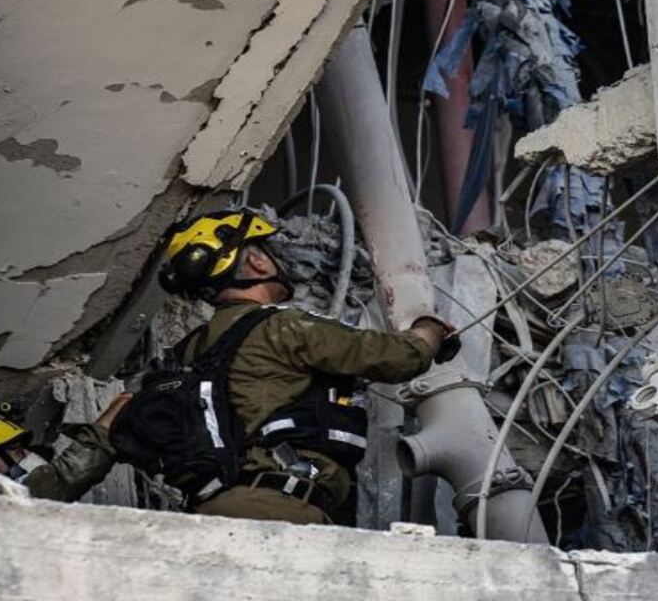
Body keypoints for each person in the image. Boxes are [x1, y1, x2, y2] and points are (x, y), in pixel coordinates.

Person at [144, 208, 454, 525]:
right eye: (268, 250)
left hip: (204, 513)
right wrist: (430, 328)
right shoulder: (283, 327)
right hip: (279, 508)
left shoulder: (187, 351)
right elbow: (399, 357)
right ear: (257, 261)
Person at [0, 394, 131, 502]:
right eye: (15, 451)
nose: (26, 455)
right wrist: (109, 421)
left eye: (21, 449)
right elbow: (69, 476)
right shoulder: (1, 502)